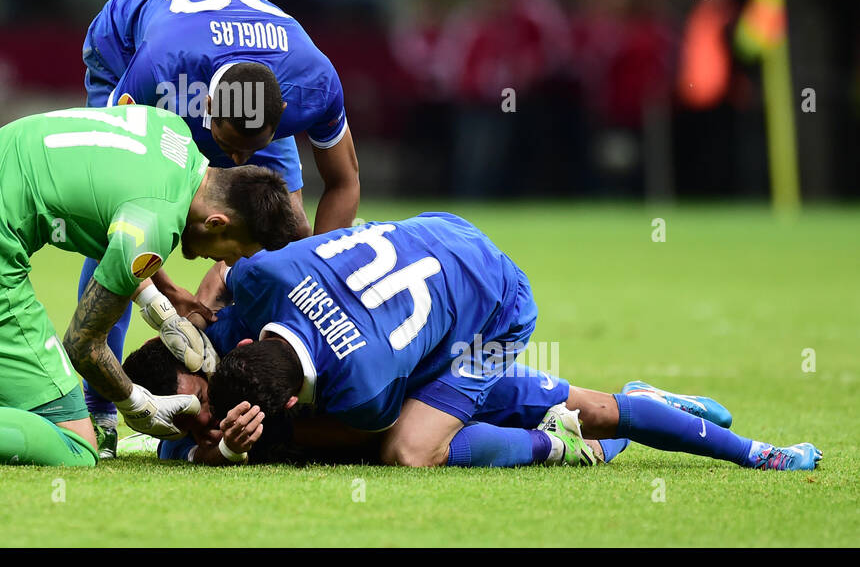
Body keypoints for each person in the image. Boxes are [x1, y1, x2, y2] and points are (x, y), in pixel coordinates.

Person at [0, 104, 302, 468]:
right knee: (74, 444)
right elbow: (83, 344)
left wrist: (160, 299)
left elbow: (104, 201)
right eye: (231, 252)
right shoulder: (153, 226)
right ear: (219, 222)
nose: (218, 261)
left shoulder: (170, 131)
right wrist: (137, 403)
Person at [199, 214, 819, 471]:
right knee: (460, 406)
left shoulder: (362, 388)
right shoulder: (265, 276)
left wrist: (247, 447)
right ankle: (630, 404)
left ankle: (756, 454)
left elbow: (360, 438)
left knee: (412, 447)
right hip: (440, 233)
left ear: (285, 404)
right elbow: (225, 279)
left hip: (496, 307)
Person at [78, 0, 360, 452]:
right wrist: (164, 295)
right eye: (228, 146)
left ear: (284, 116)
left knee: (286, 232)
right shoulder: (156, 67)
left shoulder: (314, 83)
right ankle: (98, 406)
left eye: (252, 150)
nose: (235, 164)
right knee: (143, 218)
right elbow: (109, 195)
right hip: (127, 44)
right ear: (208, 108)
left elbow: (344, 182)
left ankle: (264, 366)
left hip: (234, 65)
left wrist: (313, 279)